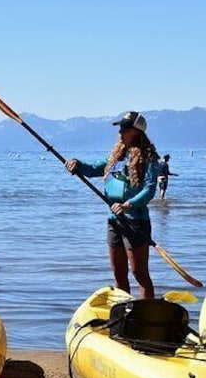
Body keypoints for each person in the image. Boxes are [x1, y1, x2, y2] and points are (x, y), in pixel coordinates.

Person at [65, 111, 160, 298]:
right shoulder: (116, 156)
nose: (120, 133)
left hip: (136, 221)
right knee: (118, 273)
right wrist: (77, 164)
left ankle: (146, 315)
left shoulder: (149, 158)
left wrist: (128, 205)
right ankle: (124, 312)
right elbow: (93, 169)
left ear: (136, 131)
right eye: (120, 128)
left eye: (124, 128)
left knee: (139, 274)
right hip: (114, 220)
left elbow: (149, 190)